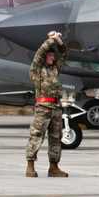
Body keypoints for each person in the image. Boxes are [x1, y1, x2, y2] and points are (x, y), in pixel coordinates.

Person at [25, 31, 68, 177]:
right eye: (49, 55)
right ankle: (30, 166)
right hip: (43, 108)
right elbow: (39, 53)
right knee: (36, 136)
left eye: (53, 55)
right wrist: (50, 40)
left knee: (56, 138)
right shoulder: (37, 69)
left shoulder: (55, 69)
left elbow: (64, 53)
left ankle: (54, 168)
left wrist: (59, 41)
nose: (52, 57)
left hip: (56, 108)